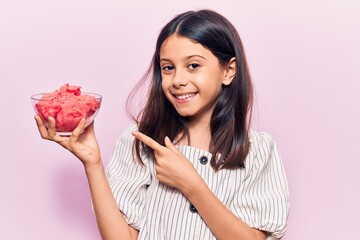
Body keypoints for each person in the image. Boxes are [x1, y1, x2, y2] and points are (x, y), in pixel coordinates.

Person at [35, 9, 289, 240]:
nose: (178, 80)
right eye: (168, 67)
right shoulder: (141, 141)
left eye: (193, 66)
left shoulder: (257, 150)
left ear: (228, 71)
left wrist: (192, 184)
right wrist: (93, 164)